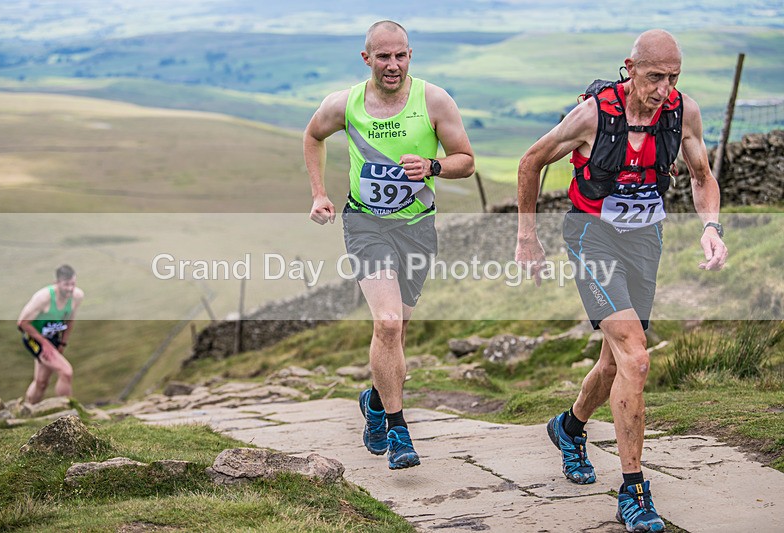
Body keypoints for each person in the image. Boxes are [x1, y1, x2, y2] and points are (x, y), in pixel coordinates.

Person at [514, 30, 727, 532]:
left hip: (644, 240)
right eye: (655, 76)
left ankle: (569, 428)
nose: (663, 88)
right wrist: (527, 236)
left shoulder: (682, 112)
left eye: (673, 77)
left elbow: (701, 176)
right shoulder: (593, 115)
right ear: (629, 67)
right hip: (592, 236)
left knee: (615, 363)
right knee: (636, 353)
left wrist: (710, 228)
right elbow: (531, 161)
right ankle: (633, 491)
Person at [303, 20, 475, 469]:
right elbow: (312, 136)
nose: (392, 65)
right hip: (366, 224)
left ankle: (375, 401)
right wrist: (320, 193)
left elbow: (467, 161)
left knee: (398, 330)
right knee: (389, 323)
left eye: (400, 55)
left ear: (410, 55)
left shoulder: (434, 101)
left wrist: (434, 167)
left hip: (417, 227)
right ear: (367, 59)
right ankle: (399, 430)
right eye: (383, 57)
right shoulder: (344, 104)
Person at [17, 264, 85, 404]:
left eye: (73, 284)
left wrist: (63, 343)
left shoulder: (77, 296)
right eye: (66, 284)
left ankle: (27, 410)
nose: (70, 289)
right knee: (66, 372)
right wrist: (45, 344)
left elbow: (70, 321)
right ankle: (69, 412)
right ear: (57, 283)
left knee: (41, 382)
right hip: (34, 338)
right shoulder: (43, 298)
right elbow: (22, 323)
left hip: (54, 338)